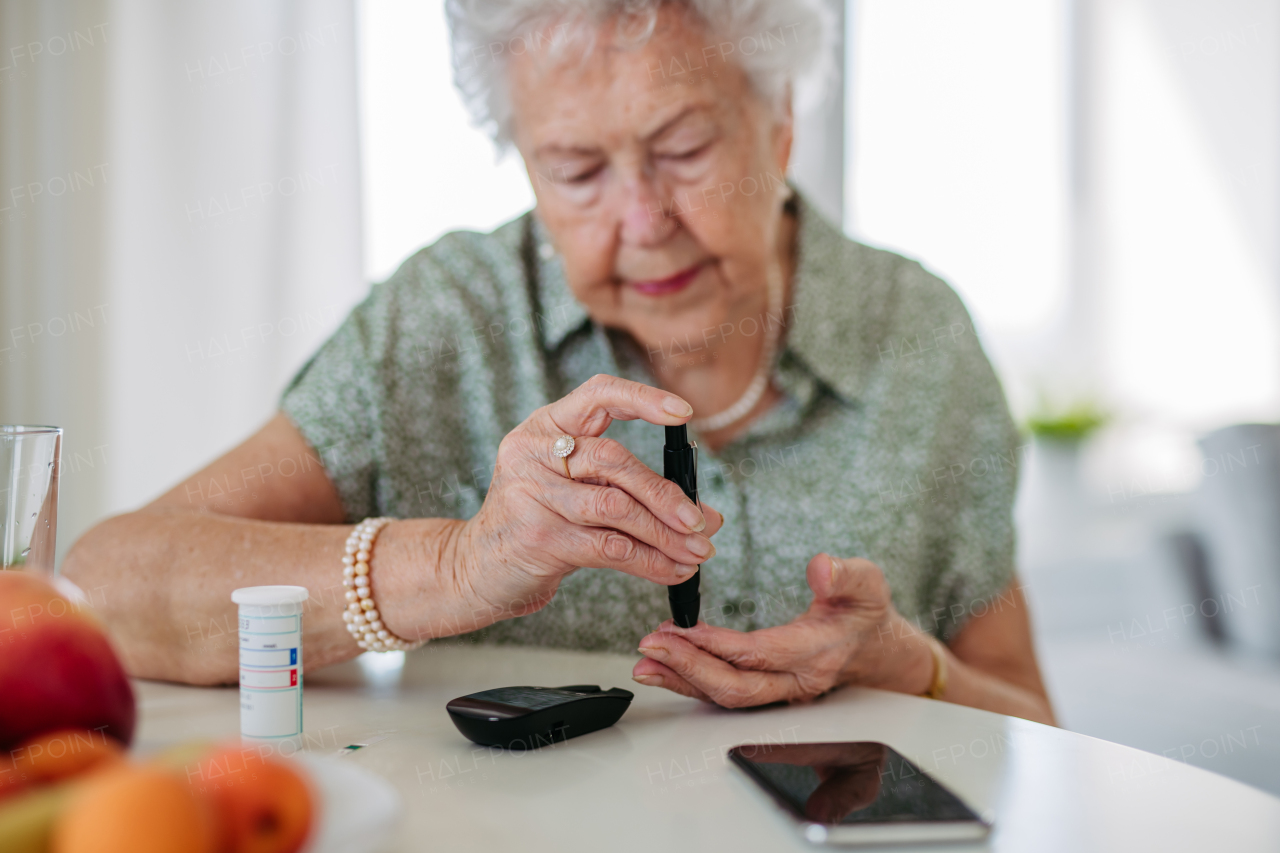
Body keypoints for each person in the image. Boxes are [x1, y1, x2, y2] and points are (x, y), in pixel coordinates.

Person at [64, 0, 1055, 725]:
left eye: (683, 148)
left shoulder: (918, 335)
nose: (640, 221)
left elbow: (1031, 726)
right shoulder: (444, 322)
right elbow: (107, 589)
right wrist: (458, 564)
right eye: (575, 171)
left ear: (779, 119)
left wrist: (901, 663)